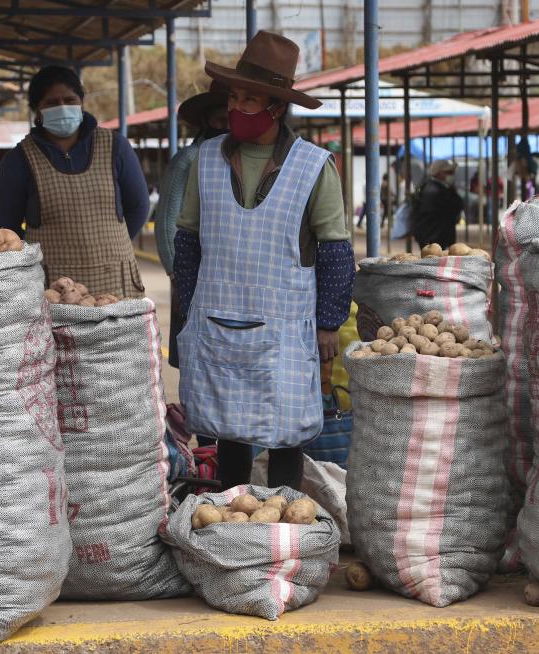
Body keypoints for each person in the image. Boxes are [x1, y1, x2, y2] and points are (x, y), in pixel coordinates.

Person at [173, 31, 355, 491]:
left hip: (284, 326)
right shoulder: (206, 159)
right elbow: (188, 241)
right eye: (234, 96)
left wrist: (329, 322)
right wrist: (186, 313)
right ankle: (233, 526)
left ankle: (280, 534)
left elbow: (335, 249)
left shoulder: (314, 166)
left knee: (284, 436)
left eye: (250, 98)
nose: (238, 107)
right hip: (217, 318)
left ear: (276, 106)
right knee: (229, 431)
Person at [0, 65, 150, 297]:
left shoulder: (116, 147)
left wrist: (113, 246)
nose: (62, 107)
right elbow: (5, 230)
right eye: (52, 103)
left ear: (81, 102)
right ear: (36, 110)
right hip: (54, 289)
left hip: (115, 280)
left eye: (69, 99)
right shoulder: (19, 160)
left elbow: (138, 207)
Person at [155, 80, 229, 371]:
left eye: (230, 119)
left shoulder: (235, 159)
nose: (226, 125)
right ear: (206, 121)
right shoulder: (188, 159)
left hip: (222, 274)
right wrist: (176, 272)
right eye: (219, 119)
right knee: (193, 353)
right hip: (191, 273)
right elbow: (165, 222)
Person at [412, 159, 463, 250]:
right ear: (438, 173)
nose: (451, 175)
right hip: (434, 238)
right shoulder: (434, 190)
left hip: (436, 236)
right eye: (449, 172)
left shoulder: (435, 187)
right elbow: (454, 206)